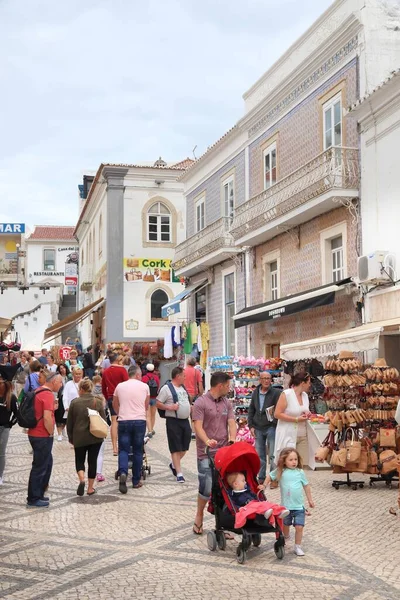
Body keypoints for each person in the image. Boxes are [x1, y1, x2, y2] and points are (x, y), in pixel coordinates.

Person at [191, 372, 237, 535]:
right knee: (207, 487)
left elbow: (232, 422)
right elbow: (198, 426)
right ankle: (199, 514)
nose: (229, 388)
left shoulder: (227, 403)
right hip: (206, 453)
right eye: (227, 385)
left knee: (224, 488)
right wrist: (207, 440)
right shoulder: (200, 403)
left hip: (223, 453)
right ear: (220, 386)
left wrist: (232, 439)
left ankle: (222, 524)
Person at [259, 447, 315, 556]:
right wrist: (264, 485)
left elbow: (306, 486)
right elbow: (269, 476)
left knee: (299, 527)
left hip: (299, 507)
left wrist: (310, 500)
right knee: (286, 525)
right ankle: (286, 537)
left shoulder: (300, 472)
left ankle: (297, 546)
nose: (294, 462)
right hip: (286, 507)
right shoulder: (281, 471)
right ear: (284, 461)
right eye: (291, 460)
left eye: (295, 459)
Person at [27, 370, 63, 508]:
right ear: (54, 382)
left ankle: (39, 493)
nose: (60, 385)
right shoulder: (47, 394)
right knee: (40, 466)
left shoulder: (38, 391)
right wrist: (50, 433)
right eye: (60, 383)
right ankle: (33, 497)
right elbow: (47, 418)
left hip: (34, 432)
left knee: (46, 463)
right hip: (42, 434)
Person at [67, 378, 106, 496]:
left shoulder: (75, 402)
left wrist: (70, 437)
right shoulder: (98, 402)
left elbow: (70, 422)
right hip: (95, 437)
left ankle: (82, 479)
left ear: (81, 389)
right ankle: (90, 488)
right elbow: (103, 420)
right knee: (92, 461)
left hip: (79, 436)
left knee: (79, 460)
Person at [113, 366, 149, 492]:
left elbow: (114, 404)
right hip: (139, 420)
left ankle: (123, 472)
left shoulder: (120, 386)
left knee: (123, 449)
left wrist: (120, 412)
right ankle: (135, 480)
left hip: (123, 420)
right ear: (138, 375)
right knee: (138, 451)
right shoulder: (145, 387)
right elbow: (146, 405)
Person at [156, 366, 191, 484]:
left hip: (185, 421)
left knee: (185, 447)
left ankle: (173, 464)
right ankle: (179, 473)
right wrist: (169, 407)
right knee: (175, 447)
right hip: (173, 421)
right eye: (184, 376)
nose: (185, 378)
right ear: (178, 376)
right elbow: (158, 403)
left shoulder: (183, 388)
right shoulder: (166, 388)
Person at [248, 371, 281, 486]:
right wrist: (250, 426)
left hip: (271, 427)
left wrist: (275, 422)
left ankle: (273, 478)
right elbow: (251, 409)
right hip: (258, 427)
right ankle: (261, 477)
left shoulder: (276, 393)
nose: (267, 380)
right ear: (260, 380)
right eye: (264, 378)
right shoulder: (255, 393)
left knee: (272, 454)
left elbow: (279, 409)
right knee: (260, 455)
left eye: (268, 378)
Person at [274, 372, 312, 468]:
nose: (310, 385)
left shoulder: (305, 396)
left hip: (302, 434)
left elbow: (303, 410)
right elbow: (277, 414)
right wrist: (295, 419)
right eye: (308, 382)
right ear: (303, 383)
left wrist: (307, 414)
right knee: (286, 463)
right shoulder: (286, 394)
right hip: (288, 433)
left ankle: (298, 482)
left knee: (302, 464)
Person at [102, 354, 129, 455]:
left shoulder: (106, 372)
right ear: (117, 360)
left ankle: (114, 447)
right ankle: (124, 444)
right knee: (124, 420)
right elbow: (127, 384)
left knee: (114, 421)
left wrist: (107, 396)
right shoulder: (122, 370)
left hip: (111, 397)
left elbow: (103, 387)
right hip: (122, 398)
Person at [0, 370, 19, 485]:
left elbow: (17, 413)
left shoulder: (11, 397)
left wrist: (10, 424)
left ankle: (0, 475)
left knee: (1, 452)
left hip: (4, 428)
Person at [93, 375, 106, 482]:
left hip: (91, 425)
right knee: (100, 451)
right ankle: (99, 473)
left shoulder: (89, 397)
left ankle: (91, 473)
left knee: (92, 452)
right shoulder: (103, 394)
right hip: (101, 425)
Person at [54, 363, 72, 441]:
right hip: (60, 398)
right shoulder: (57, 378)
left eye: (63, 368)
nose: (62, 370)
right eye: (60, 368)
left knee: (66, 416)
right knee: (59, 415)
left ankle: (63, 430)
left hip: (68, 398)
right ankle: (59, 433)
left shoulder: (70, 377)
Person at [142, 363, 160, 437]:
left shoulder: (144, 377)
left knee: (147, 415)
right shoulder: (156, 377)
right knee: (153, 415)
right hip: (154, 398)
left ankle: (149, 431)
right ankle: (152, 429)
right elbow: (158, 386)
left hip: (147, 398)